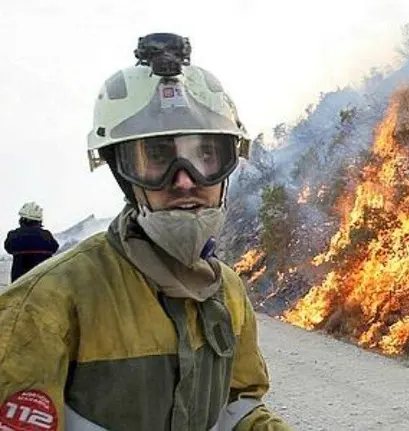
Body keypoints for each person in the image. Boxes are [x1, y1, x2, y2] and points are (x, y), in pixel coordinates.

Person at [0, 33, 292, 430]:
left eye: (205, 154)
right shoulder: (46, 303)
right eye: (157, 156)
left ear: (228, 164)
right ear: (124, 174)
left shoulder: (228, 292)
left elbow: (235, 408)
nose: (185, 181)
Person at [3, 201, 59, 282]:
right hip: (43, 283)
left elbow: (8, 248)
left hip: (19, 285)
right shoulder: (46, 236)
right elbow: (54, 248)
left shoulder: (13, 235)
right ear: (39, 220)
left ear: (22, 219)